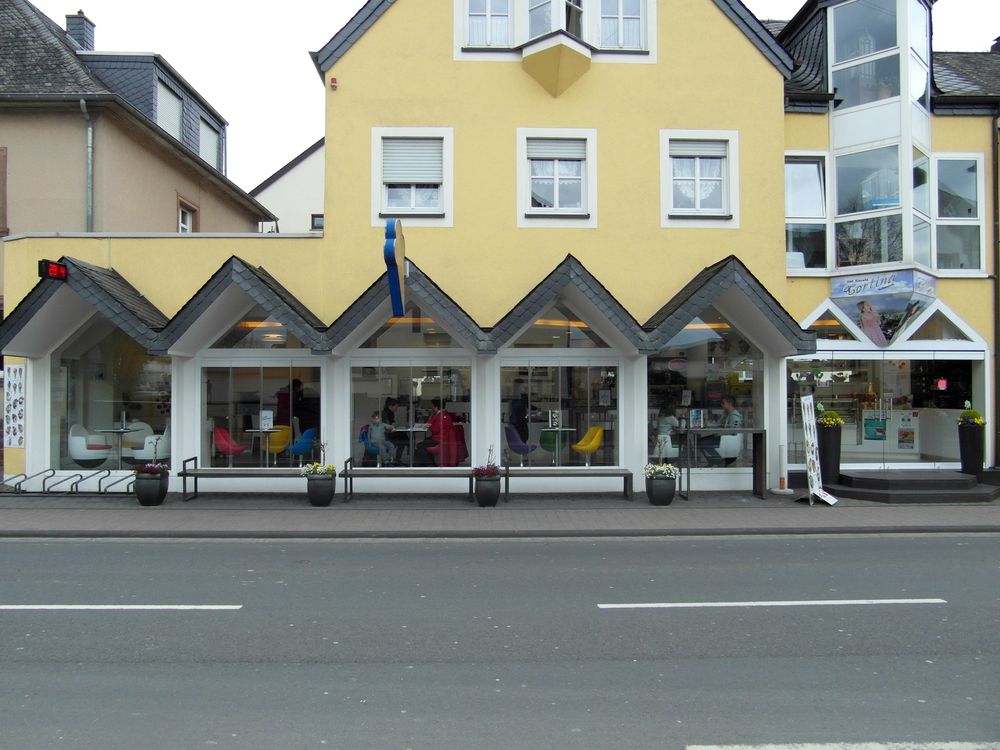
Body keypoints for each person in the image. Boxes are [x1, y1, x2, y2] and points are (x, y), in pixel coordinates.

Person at [415, 398, 453, 466]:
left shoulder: (440, 416)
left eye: (432, 406)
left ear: (436, 407)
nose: (431, 407)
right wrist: (431, 417)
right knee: (425, 440)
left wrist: (429, 426)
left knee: (420, 446)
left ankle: (430, 464)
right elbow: (429, 423)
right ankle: (429, 462)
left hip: (439, 439)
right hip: (441, 438)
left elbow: (434, 429)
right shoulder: (441, 414)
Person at [381, 397, 409, 464]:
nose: (396, 409)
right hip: (386, 436)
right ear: (390, 406)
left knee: (403, 437)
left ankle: (399, 458)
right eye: (396, 407)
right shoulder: (386, 414)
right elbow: (387, 427)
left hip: (387, 434)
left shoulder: (388, 412)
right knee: (403, 438)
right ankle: (398, 459)